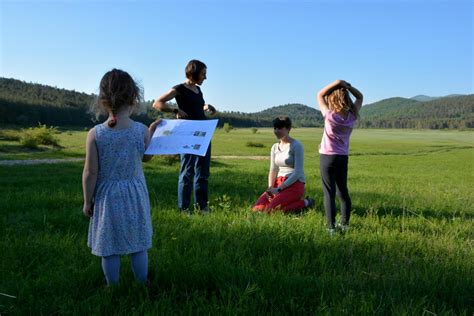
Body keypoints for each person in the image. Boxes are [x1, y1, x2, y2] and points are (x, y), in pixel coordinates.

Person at [82, 69, 161, 285]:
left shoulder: (95, 134)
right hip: (134, 194)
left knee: (109, 247)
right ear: (134, 98)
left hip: (106, 197)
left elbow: (90, 172)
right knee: (138, 244)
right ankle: (142, 282)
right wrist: (152, 133)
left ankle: (113, 286)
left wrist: (88, 201)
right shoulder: (140, 130)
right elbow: (147, 158)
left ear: (103, 100)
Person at [153, 59, 217, 213]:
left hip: (203, 135)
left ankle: (202, 207)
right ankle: (184, 209)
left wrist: (206, 106)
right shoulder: (179, 88)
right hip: (188, 135)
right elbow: (157, 103)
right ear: (193, 73)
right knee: (187, 172)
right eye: (203, 74)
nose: (205, 78)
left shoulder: (198, 90)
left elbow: (195, 106)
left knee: (203, 172)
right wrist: (174, 110)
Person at [317, 79, 363, 234]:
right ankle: (345, 224)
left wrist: (337, 83)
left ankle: (331, 227)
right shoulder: (352, 116)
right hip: (342, 157)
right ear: (346, 99)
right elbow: (360, 97)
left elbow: (319, 94)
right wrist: (348, 87)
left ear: (333, 99)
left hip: (327, 157)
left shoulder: (329, 115)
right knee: (343, 192)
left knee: (328, 193)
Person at [253, 116, 314, 213]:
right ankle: (289, 203)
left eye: (280, 128)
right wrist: (270, 188)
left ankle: (306, 203)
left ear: (288, 129)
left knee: (272, 210)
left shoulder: (297, 145)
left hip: (294, 184)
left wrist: (279, 189)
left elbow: (298, 172)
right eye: (275, 128)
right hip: (278, 183)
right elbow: (273, 169)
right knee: (257, 209)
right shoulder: (274, 147)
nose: (276, 131)